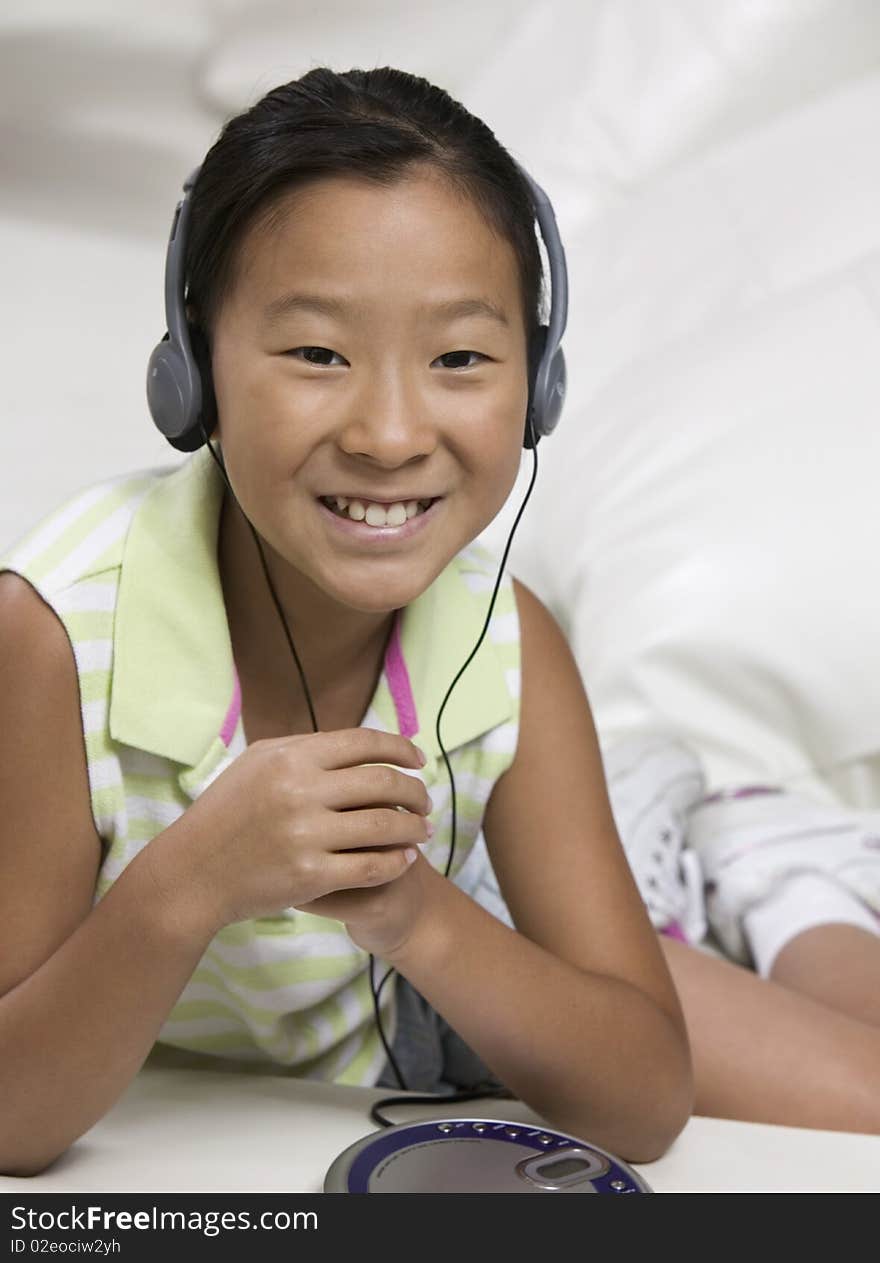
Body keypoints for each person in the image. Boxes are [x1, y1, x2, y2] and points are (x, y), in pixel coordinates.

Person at [0, 66, 692, 1177]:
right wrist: (191, 881)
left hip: (435, 985)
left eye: (460, 357)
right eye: (319, 354)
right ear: (194, 370)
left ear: (540, 383)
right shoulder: (53, 636)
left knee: (852, 1090)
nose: (387, 432)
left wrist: (410, 913)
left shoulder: (508, 642)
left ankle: (754, 861)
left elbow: (649, 1104)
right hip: (357, 1014)